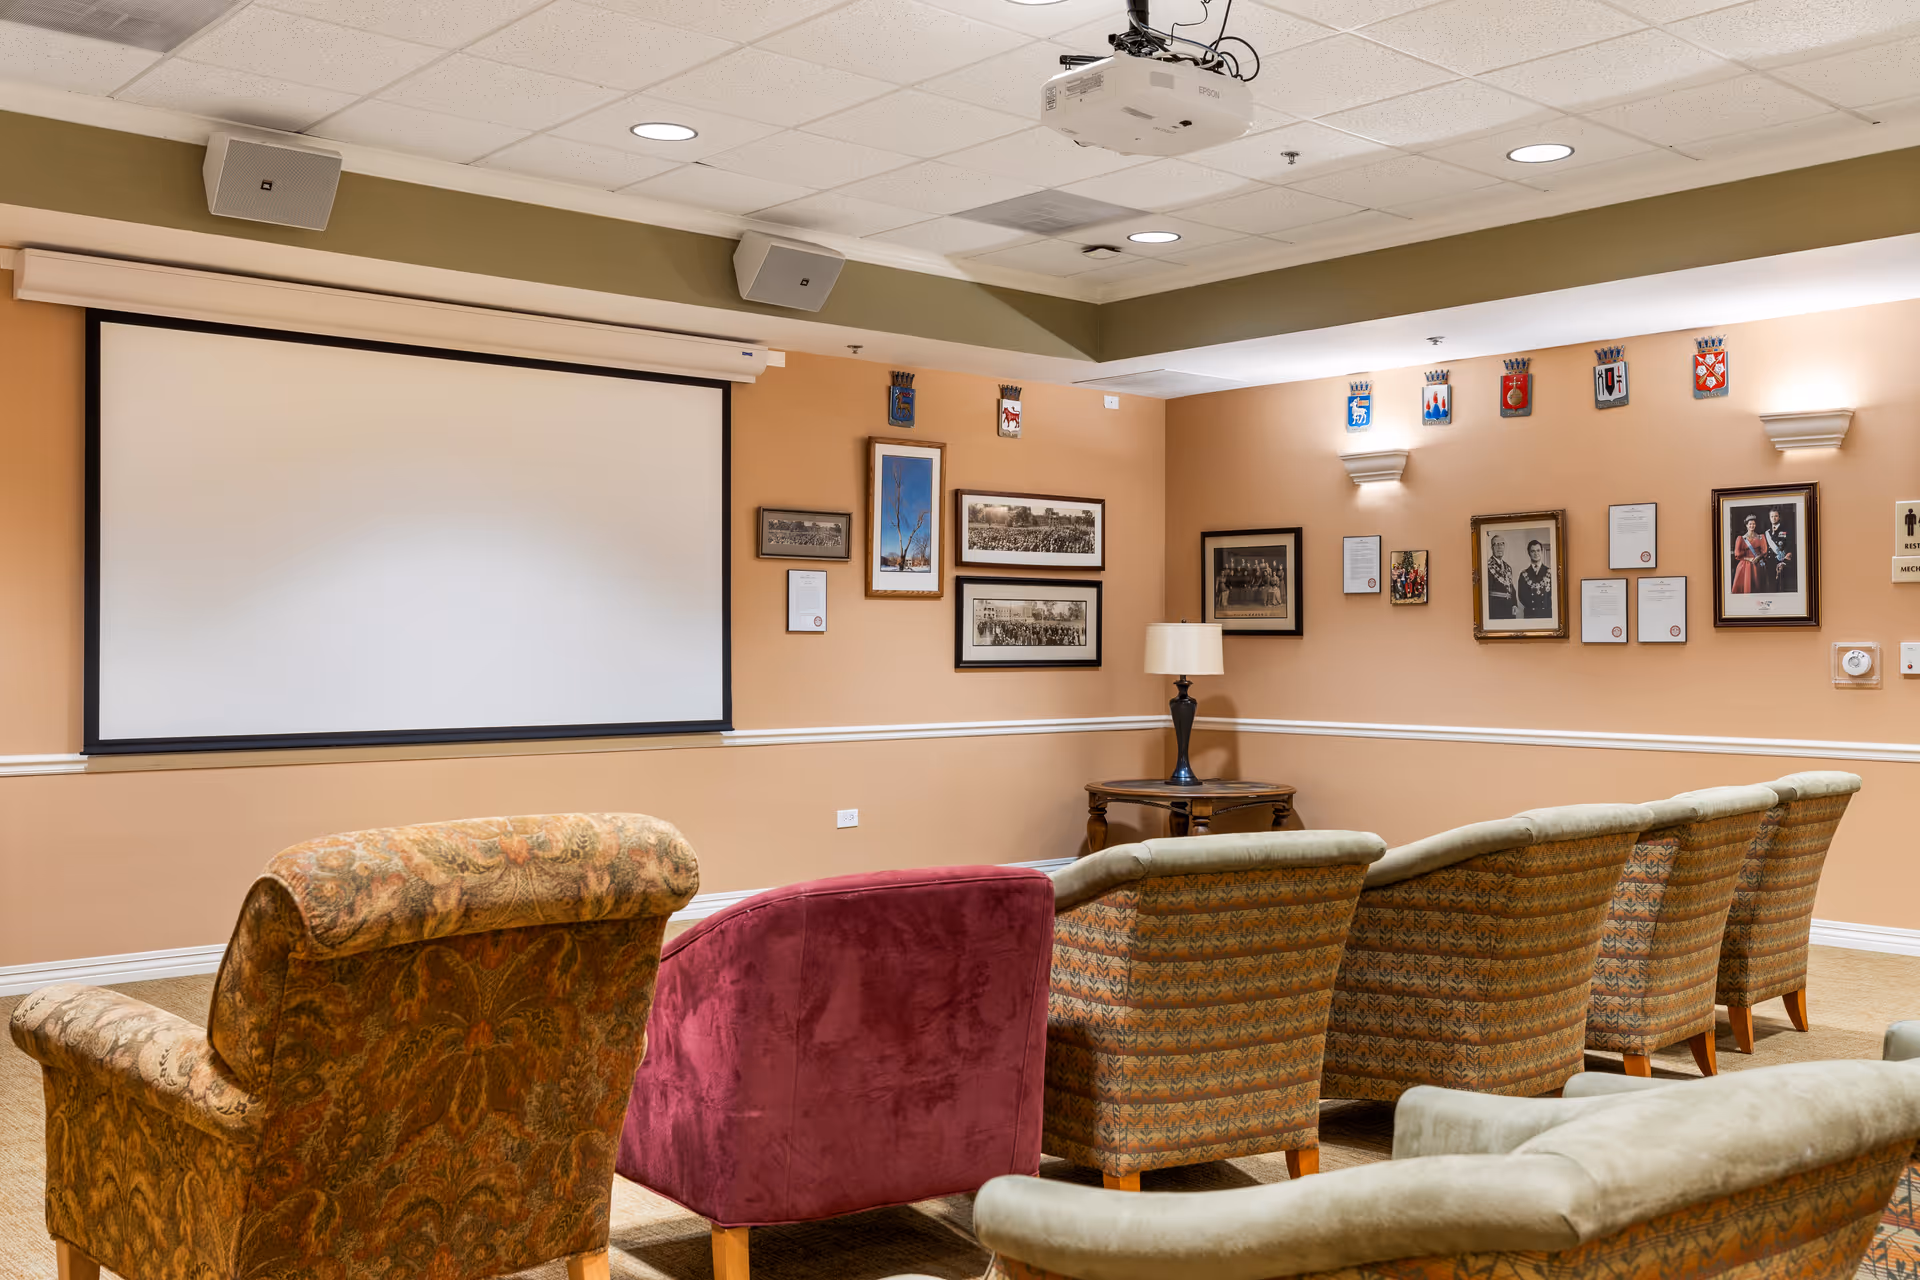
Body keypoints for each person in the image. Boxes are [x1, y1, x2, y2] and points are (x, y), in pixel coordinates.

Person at [1731, 515, 1768, 593]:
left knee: (1757, 587)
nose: (1752, 526)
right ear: (1747, 525)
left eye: (1753, 524)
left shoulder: (1760, 537)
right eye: (1750, 524)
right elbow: (1737, 554)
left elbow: (1764, 551)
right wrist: (1749, 559)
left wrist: (1759, 557)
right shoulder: (1741, 539)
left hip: (1757, 564)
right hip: (1745, 566)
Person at [1518, 539, 1554, 618]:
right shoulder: (1524, 574)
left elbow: (1553, 594)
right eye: (1533, 551)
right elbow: (1521, 596)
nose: (1536, 553)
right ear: (1529, 553)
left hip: (1546, 614)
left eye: (1538, 550)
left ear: (1541, 552)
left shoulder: (1550, 573)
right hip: (1530, 614)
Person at [1763, 507, 1796, 592]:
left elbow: (1790, 543)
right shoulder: (1767, 532)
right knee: (1771, 584)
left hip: (1782, 560)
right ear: (1769, 518)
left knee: (1781, 585)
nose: (1774, 518)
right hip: (1770, 561)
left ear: (1779, 517)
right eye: (1772, 516)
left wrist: (1789, 554)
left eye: (1776, 516)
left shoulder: (1786, 530)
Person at [1486, 536, 1517, 618]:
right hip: (1495, 609)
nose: (1499, 547)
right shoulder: (1486, 566)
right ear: (1492, 548)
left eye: (1501, 544)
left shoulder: (1508, 567)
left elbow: (1511, 587)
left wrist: (1514, 604)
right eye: (1496, 544)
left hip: (1509, 608)